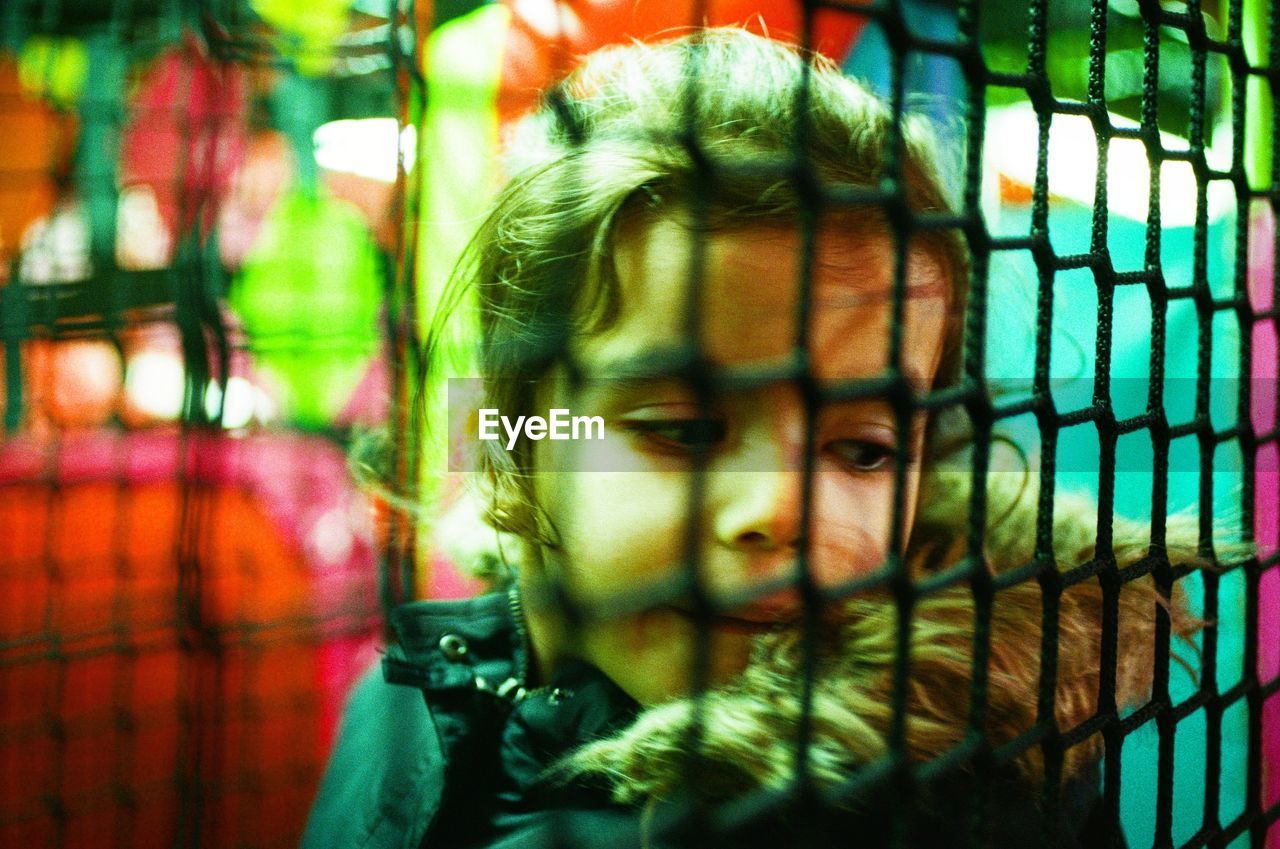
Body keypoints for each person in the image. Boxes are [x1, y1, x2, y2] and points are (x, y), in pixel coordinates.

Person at [302, 28, 1217, 849]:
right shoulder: (407, 688)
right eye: (688, 430)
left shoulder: (946, 803)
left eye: (864, 450)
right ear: (508, 448)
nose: (782, 509)